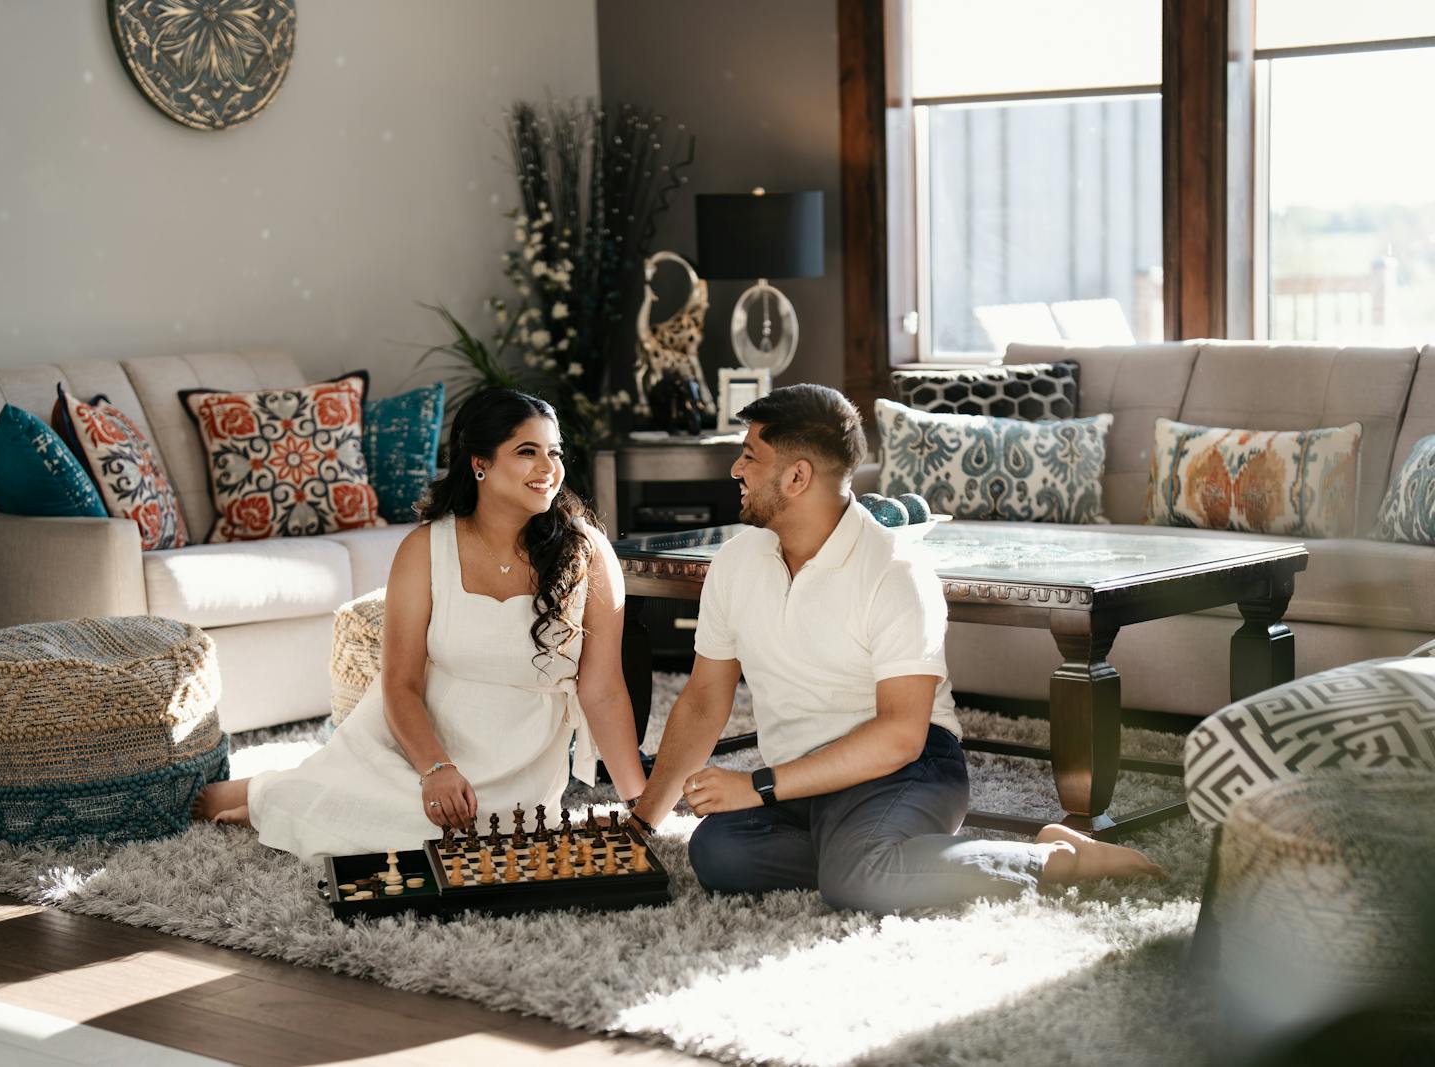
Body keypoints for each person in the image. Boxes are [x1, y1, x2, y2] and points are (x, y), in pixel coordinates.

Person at [628, 384, 1162, 913]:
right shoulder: (736, 563)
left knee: (861, 876)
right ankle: (876, 855)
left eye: (749, 456)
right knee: (717, 853)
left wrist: (759, 786)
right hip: (806, 779)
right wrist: (642, 821)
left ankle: (1052, 859)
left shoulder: (895, 572)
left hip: (909, 768)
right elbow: (703, 699)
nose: (735, 471)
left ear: (797, 476)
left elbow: (901, 736)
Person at [194, 388, 647, 861]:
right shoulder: (426, 547)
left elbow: (604, 689)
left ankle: (293, 792)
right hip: (422, 744)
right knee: (334, 814)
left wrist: (639, 801)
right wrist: (435, 769)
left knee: (475, 842)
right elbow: (401, 682)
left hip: (522, 767)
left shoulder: (586, 551)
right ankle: (272, 792)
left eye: (554, 452)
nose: (549, 468)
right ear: (480, 464)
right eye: (527, 452)